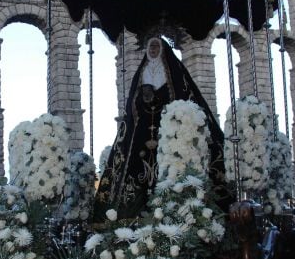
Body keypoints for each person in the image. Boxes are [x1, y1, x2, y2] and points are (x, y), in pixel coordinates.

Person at [94, 37, 227, 222]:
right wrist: (144, 97)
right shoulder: (142, 72)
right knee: (134, 168)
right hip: (142, 130)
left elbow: (184, 96)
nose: (154, 49)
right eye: (151, 46)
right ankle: (132, 215)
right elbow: (133, 102)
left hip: (169, 130)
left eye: (157, 46)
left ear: (163, 49)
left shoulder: (175, 71)